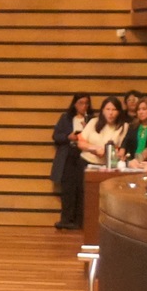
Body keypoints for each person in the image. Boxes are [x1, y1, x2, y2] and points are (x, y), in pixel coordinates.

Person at [50, 93, 89, 230]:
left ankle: (80, 220)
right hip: (68, 156)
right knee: (68, 189)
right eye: (80, 103)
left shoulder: (92, 119)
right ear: (74, 104)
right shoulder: (66, 118)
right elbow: (56, 136)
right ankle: (66, 219)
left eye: (86, 103)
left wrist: (87, 129)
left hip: (84, 156)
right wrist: (68, 137)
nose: (84, 106)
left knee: (82, 189)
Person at [80, 98, 130, 168]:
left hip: (109, 165)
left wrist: (108, 151)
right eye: (108, 109)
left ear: (119, 112)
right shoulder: (93, 121)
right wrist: (94, 148)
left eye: (114, 110)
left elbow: (122, 148)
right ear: (103, 111)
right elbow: (80, 143)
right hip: (86, 161)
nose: (110, 113)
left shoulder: (124, 126)